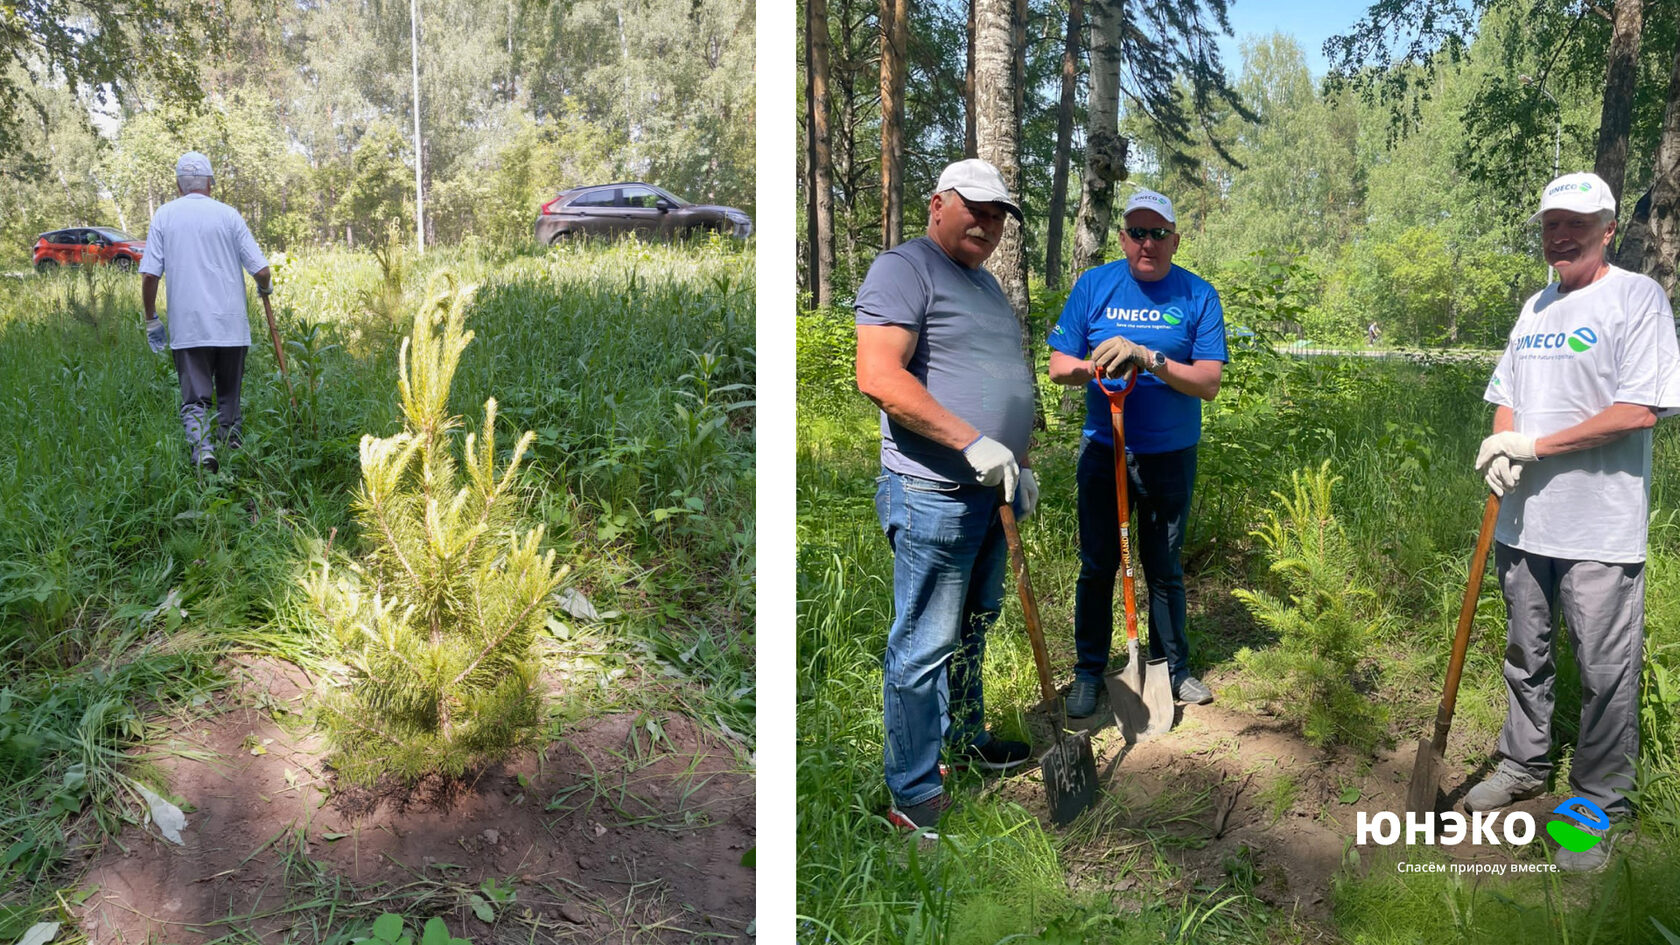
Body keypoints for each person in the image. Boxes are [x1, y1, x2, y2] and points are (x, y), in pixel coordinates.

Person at [1467, 171, 1680, 872]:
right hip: (1523, 521)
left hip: (1599, 526)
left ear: (1607, 230)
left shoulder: (1637, 298)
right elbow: (1507, 390)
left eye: (1574, 224)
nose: (1559, 236)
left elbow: (1638, 410)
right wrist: (1503, 443)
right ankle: (1524, 763)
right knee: (1526, 654)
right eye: (1550, 224)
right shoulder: (1534, 307)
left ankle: (1599, 804)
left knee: (1603, 669)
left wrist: (1535, 445)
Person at [854, 158, 1038, 837]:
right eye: (977, 208)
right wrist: (971, 443)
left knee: (971, 630)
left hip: (994, 493)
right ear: (938, 203)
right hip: (933, 491)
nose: (987, 223)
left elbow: (1003, 379)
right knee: (924, 646)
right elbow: (877, 375)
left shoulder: (987, 285)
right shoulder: (905, 270)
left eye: (998, 214)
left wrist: (1018, 461)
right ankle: (913, 795)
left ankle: (963, 742)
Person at [1047, 188, 1227, 719]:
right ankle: (1088, 671)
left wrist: (1149, 358)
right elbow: (1059, 365)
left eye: (1159, 233)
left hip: (1170, 453)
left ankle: (1175, 668)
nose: (1148, 242)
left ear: (1175, 238)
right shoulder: (1094, 285)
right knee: (1098, 562)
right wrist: (1096, 366)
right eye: (1137, 232)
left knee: (1164, 564)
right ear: (1123, 237)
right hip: (1105, 449)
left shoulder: (1198, 295)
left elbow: (1208, 382)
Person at [140, 151, 272, 474]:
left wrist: (151, 319)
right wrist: (264, 289)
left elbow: (149, 276)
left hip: (189, 329)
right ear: (211, 184)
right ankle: (234, 453)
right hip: (231, 327)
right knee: (230, 397)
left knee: (196, 400)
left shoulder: (164, 216)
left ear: (178, 185)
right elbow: (263, 271)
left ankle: (204, 454)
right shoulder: (229, 216)